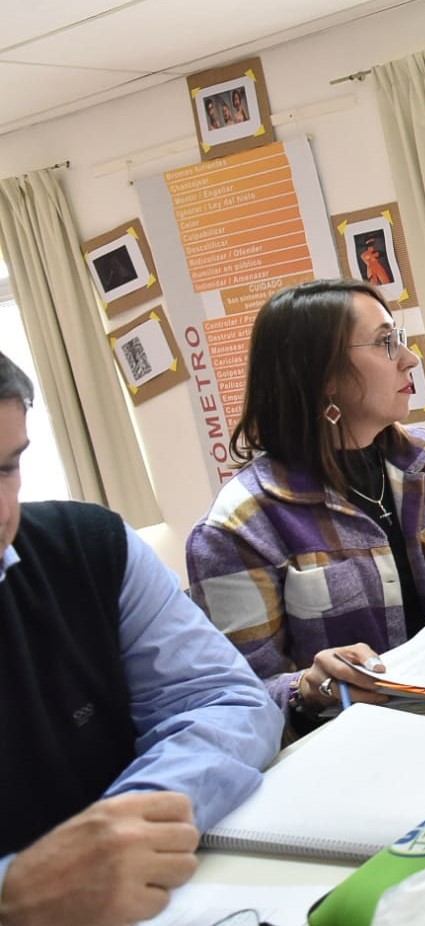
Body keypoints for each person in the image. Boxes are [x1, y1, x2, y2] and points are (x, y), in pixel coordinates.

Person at [186, 279, 425, 731]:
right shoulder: (240, 524)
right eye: (386, 343)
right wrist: (306, 687)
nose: (411, 359)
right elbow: (238, 700)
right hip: (356, 749)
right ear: (323, 375)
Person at [0, 352, 281, 926]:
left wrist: (126, 829)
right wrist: (14, 894)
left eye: (8, 467)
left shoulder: (89, 547)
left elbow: (224, 700)